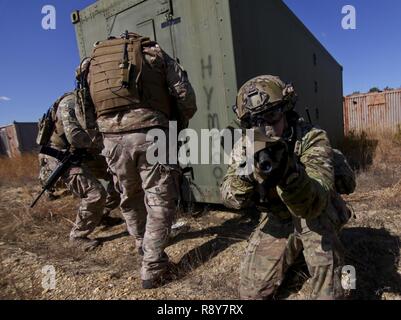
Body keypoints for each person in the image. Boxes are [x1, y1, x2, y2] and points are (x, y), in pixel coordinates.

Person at [220, 75, 353, 300]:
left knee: (330, 295)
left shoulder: (312, 137)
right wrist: (248, 174)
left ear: (285, 110)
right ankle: (296, 252)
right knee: (251, 294)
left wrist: (289, 173)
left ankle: (341, 270)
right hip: (279, 218)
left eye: (272, 115)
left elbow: (316, 201)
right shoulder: (246, 146)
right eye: (256, 121)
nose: (266, 129)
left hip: (315, 216)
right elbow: (229, 197)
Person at [82, 32, 197, 288]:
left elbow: (84, 107)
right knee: (159, 197)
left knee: (130, 196)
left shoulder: (91, 62)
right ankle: (153, 267)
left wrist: (99, 136)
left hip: (111, 137)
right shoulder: (152, 51)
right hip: (151, 131)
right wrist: (176, 124)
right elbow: (185, 94)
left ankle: (142, 247)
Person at [42, 91, 122, 251]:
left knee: (118, 176)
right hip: (63, 157)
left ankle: (101, 215)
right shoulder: (70, 102)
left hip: (83, 152)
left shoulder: (88, 102)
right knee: (95, 194)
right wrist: (106, 143)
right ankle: (78, 236)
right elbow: (75, 137)